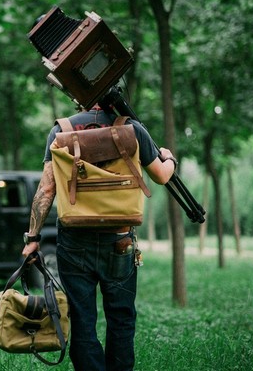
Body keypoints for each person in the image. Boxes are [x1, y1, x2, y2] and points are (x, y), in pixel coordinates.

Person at [21, 104, 177, 371]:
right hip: (119, 241)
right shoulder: (134, 129)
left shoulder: (61, 130)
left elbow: (46, 190)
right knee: (121, 317)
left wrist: (32, 238)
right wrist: (169, 158)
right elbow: (162, 176)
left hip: (73, 241)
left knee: (81, 319)